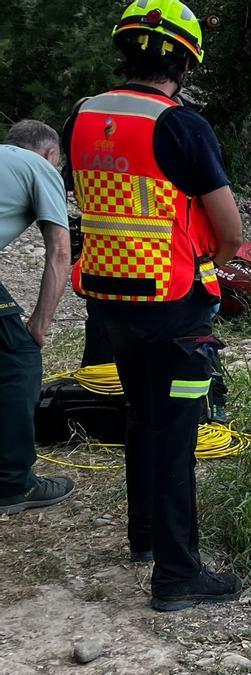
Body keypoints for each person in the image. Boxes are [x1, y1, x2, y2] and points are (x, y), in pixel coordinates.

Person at [63, 0, 244, 611]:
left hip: (109, 298)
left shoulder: (82, 116)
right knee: (175, 436)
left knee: (141, 419)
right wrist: (206, 260)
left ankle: (144, 539)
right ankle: (176, 576)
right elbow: (230, 231)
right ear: (185, 60)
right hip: (173, 307)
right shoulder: (182, 126)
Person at [0, 121, 75, 515]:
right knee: (18, 359)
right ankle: (14, 483)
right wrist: (39, 326)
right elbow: (60, 254)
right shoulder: (40, 167)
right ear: (50, 154)